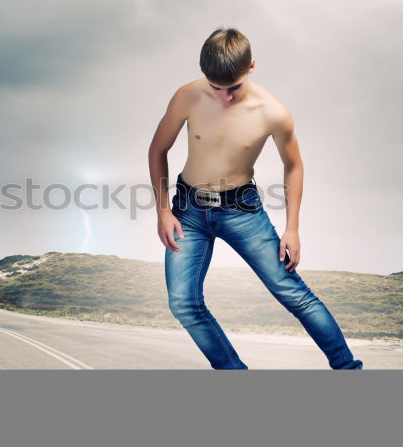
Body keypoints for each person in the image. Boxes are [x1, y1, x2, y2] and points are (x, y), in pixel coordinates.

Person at [147, 27, 363, 370]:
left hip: (241, 210)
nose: (225, 98)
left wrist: (292, 228)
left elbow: (293, 165)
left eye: (233, 88)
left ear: (251, 67)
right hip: (188, 210)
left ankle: (348, 369)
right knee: (183, 303)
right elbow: (158, 150)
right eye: (216, 88)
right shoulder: (187, 96)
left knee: (291, 292)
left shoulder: (273, 112)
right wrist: (162, 210)